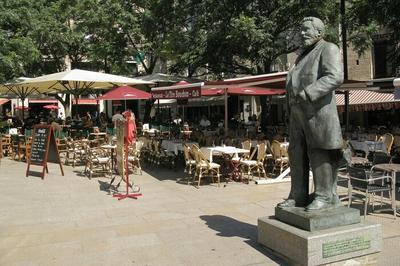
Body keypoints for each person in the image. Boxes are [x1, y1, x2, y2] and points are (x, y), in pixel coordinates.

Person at [277, 17, 344, 211]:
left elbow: (335, 76)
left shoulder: (328, 48)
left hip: (318, 113)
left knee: (319, 152)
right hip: (298, 114)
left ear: (319, 32)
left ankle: (324, 196)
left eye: (306, 30)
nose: (302, 33)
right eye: (301, 30)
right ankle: (298, 195)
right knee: (296, 154)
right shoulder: (301, 56)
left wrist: (307, 93)